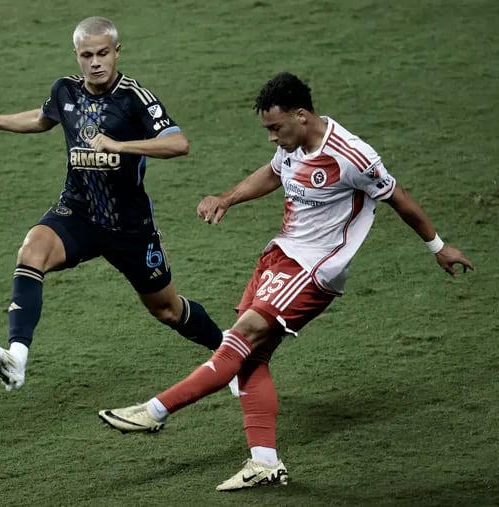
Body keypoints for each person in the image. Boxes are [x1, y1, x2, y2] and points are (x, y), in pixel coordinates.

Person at [98, 72, 474, 491]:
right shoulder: (292, 146)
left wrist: (438, 246)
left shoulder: (352, 155)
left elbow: (398, 198)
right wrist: (227, 198)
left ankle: (154, 411)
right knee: (251, 360)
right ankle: (264, 463)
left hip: (314, 270)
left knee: (237, 341)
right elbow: (274, 173)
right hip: (280, 257)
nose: (272, 137)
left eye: (276, 127)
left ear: (301, 115)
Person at [0, 16, 223, 391]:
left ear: (117, 52)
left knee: (167, 310)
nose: (95, 62)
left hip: (129, 225)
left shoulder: (135, 98)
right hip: (78, 211)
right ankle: (17, 358)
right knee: (31, 251)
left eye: (103, 53)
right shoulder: (65, 90)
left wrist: (121, 145)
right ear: (76, 55)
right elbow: (40, 118)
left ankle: (230, 353)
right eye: (87, 55)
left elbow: (179, 143)